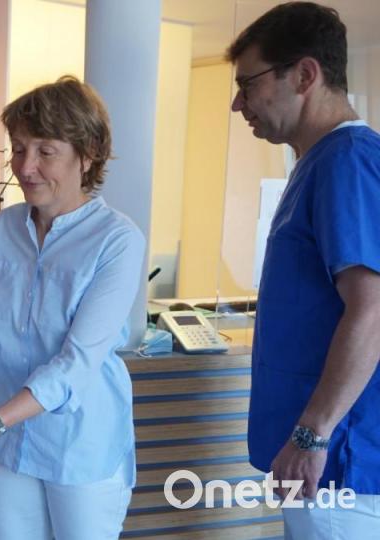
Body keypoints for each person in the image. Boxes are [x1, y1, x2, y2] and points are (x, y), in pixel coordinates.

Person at [0, 76, 145, 539]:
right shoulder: (6, 227)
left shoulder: (117, 240)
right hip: (8, 444)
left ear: (88, 152)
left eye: (45, 151)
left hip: (79, 445)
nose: (26, 167)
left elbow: (76, 363)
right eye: (18, 149)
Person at [226, 2, 380, 538]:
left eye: (248, 84)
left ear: (305, 74)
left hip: (341, 467)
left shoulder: (347, 161)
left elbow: (373, 309)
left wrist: (313, 435)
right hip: (323, 464)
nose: (237, 103)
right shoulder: (317, 163)